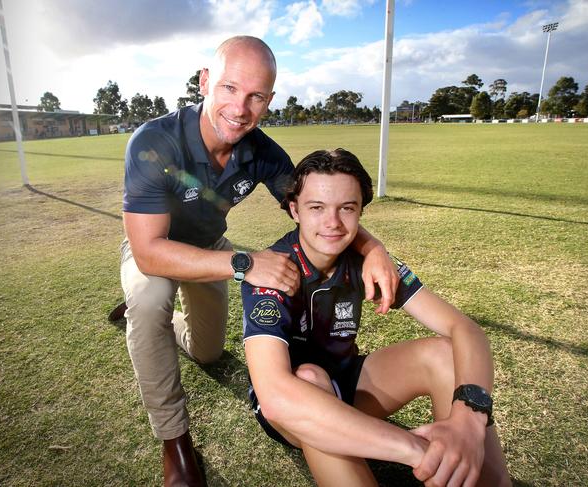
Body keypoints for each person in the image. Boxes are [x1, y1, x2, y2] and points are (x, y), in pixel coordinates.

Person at [119, 37, 398, 486]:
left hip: (211, 247)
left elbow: (316, 204)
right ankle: (175, 442)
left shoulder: (263, 151)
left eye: (256, 96)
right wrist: (246, 263)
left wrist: (374, 247)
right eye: (229, 88)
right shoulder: (155, 141)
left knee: (208, 352)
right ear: (205, 82)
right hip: (155, 246)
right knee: (150, 301)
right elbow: (150, 251)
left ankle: (165, 320)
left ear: (269, 100)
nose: (240, 107)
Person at [241, 149, 512, 486]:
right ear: (294, 210)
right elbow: (277, 398)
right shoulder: (273, 270)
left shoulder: (369, 261)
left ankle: (486, 478)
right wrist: (416, 449)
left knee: (444, 354)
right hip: (294, 409)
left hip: (348, 383)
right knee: (310, 377)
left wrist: (468, 420)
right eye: (317, 208)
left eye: (347, 209)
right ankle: (435, 458)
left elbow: (465, 329)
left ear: (360, 212)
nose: (333, 223)